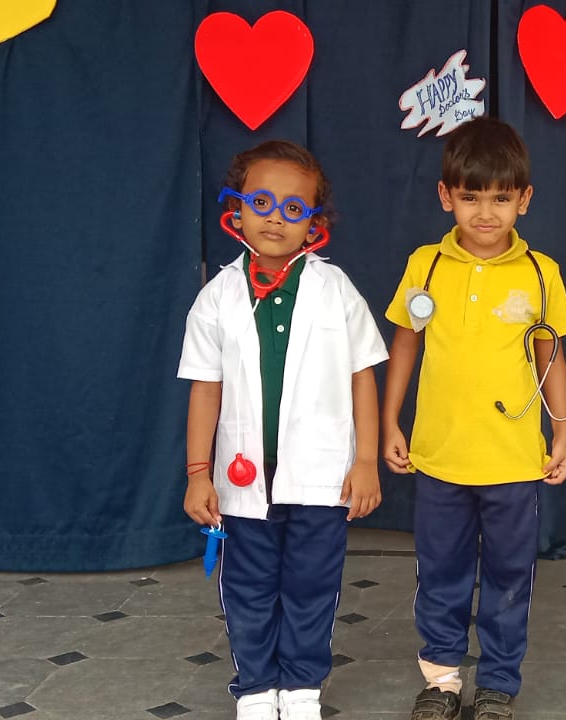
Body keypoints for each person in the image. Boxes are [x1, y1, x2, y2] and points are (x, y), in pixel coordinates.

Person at [179, 140, 388, 720]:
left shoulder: (335, 290)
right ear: (236, 208)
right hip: (243, 483)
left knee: (312, 587)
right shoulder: (217, 297)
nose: (275, 218)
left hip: (321, 478)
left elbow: (363, 377)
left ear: (314, 225)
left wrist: (365, 461)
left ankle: (300, 686)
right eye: (261, 202)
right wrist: (198, 473)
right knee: (247, 587)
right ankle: (254, 687)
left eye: (293, 208)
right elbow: (205, 388)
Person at [380, 117, 566, 720]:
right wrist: (390, 422)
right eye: (470, 197)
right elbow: (405, 343)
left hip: (514, 460)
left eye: (500, 198)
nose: (485, 213)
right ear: (446, 196)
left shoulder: (541, 272)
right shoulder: (425, 265)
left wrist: (563, 431)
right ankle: (442, 680)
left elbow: (550, 356)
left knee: (510, 576)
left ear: (524, 199)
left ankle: (497, 683)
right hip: (440, 457)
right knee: (440, 571)